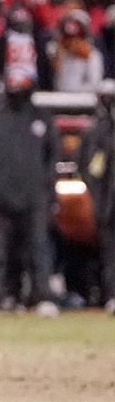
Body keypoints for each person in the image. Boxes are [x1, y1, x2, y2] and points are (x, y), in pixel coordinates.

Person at [0, 70, 61, 317]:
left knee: (38, 249)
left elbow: (53, 158)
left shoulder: (42, 118)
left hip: (34, 198)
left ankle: (41, 297)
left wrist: (47, 189)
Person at [78, 79, 115, 313]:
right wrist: (98, 198)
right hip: (107, 203)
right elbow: (88, 167)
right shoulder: (95, 132)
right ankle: (111, 293)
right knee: (109, 252)